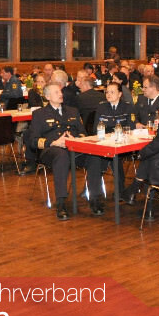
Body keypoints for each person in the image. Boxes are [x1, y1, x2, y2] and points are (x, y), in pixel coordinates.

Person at [26, 83, 105, 220]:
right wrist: (54, 142)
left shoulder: (73, 111)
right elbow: (33, 140)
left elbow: (83, 133)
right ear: (47, 97)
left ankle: (94, 198)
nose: (61, 94)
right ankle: (61, 202)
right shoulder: (39, 114)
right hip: (51, 150)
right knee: (61, 156)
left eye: (60, 91)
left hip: (74, 148)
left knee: (94, 156)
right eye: (56, 92)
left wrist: (76, 139)